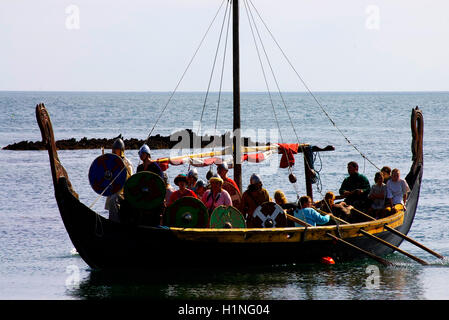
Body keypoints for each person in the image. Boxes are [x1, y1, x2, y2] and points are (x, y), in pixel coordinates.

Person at [105, 138, 133, 222]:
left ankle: (115, 222)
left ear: (121, 150)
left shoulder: (127, 163)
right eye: (113, 149)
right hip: (114, 190)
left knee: (113, 199)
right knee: (111, 198)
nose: (113, 151)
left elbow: (131, 180)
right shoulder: (111, 162)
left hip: (123, 193)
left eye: (115, 149)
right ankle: (112, 220)